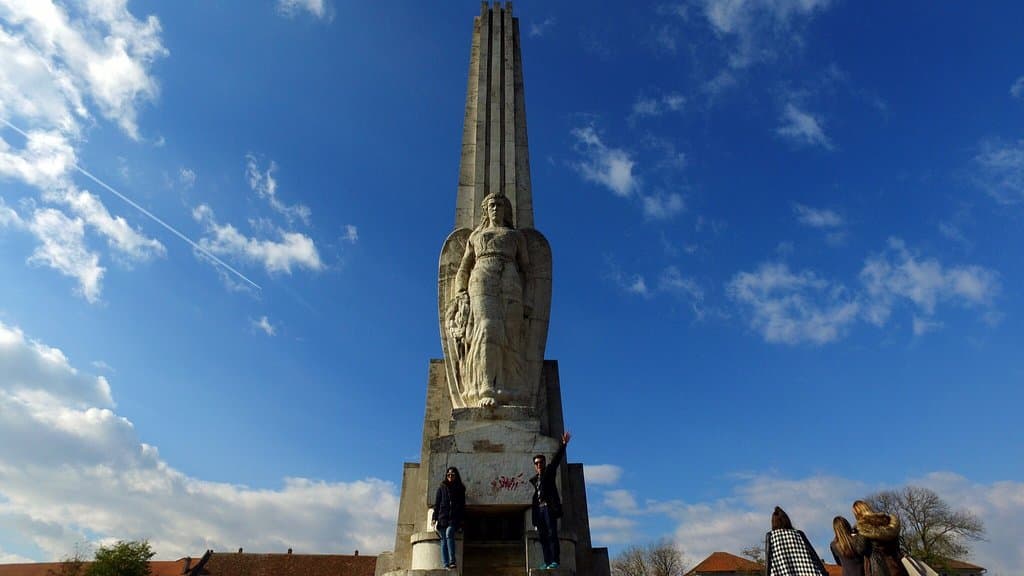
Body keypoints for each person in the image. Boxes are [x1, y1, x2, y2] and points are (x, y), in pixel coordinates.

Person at [450, 191, 532, 407]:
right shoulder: (476, 236)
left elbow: (527, 270)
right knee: (487, 327)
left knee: (512, 335)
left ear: (506, 210)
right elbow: (464, 268)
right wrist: (460, 293)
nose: (496, 209)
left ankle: (511, 388)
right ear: (485, 210)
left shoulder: (515, 236)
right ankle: (486, 387)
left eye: (500, 205)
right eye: (492, 205)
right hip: (482, 277)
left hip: (511, 280)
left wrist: (529, 301)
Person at [530, 431, 570, 570]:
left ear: (544, 463)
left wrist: (564, 445)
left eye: (541, 462)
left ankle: (555, 561)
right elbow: (535, 500)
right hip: (539, 510)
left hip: (548, 508)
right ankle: (547, 561)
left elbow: (556, 460)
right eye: (536, 463)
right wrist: (534, 520)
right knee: (543, 537)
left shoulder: (549, 472)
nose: (539, 465)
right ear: (534, 466)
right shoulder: (535, 480)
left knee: (552, 534)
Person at [764, 506, 828, 576]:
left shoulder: (771, 536)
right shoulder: (799, 534)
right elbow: (814, 555)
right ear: (787, 520)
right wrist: (824, 572)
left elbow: (768, 562)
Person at [852, 500, 908, 576]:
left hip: (878, 570)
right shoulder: (886, 522)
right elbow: (897, 546)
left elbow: (861, 549)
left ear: (857, 514)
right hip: (897, 567)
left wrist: (856, 535)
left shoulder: (863, 529)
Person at [431, 467, 466, 570]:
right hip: (443, 518)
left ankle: (452, 561)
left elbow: (462, 506)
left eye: (452, 475)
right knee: (443, 541)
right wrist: (434, 518)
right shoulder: (441, 488)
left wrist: (461, 522)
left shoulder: (460, 488)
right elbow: (437, 504)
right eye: (448, 475)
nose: (450, 476)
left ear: (456, 476)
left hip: (454, 518)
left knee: (449, 533)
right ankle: (446, 564)